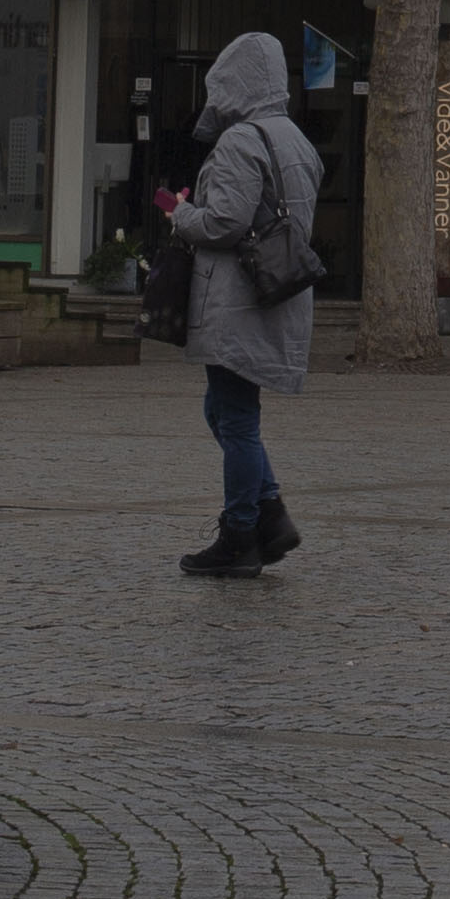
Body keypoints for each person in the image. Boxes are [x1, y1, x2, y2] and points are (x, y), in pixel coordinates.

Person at [154, 28, 318, 579]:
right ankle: (269, 516)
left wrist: (179, 213)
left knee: (237, 417)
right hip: (276, 293)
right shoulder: (295, 138)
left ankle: (241, 534)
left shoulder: (240, 141)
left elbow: (225, 222)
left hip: (237, 299)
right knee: (222, 410)